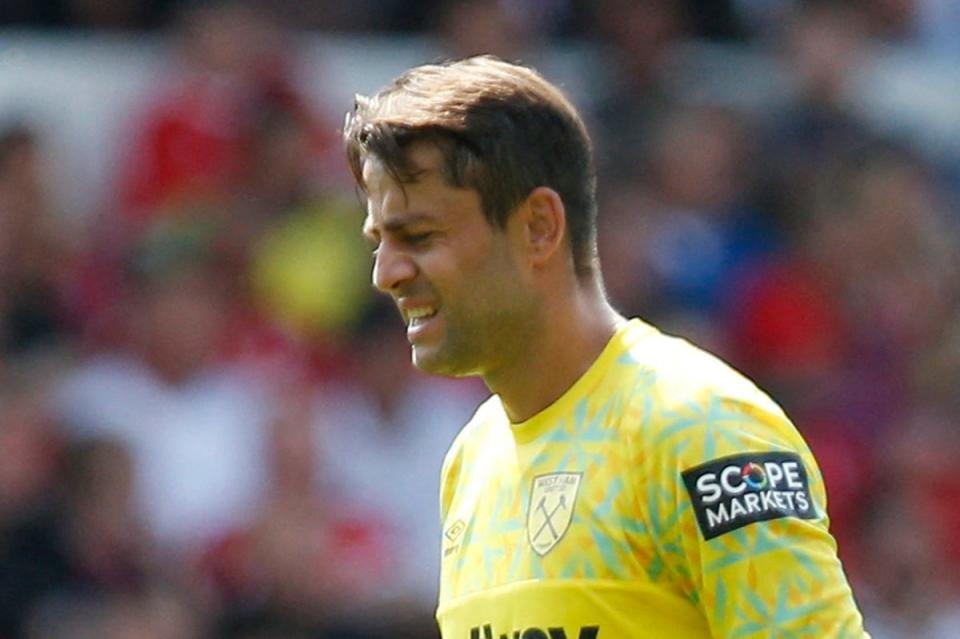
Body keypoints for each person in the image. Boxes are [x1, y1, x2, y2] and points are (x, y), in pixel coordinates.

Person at [342, 55, 870, 638]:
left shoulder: (701, 430)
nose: (385, 272)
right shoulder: (471, 461)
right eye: (380, 241)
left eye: (418, 236)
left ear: (539, 226)